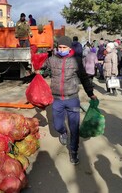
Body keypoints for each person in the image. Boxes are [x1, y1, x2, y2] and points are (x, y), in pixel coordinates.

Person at [40, 36, 97, 165]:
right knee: (58, 125)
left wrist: (90, 93)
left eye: (64, 47)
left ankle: (74, 152)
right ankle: (63, 132)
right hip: (57, 99)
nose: (61, 49)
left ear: (69, 48)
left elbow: (84, 78)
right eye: (59, 47)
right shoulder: (52, 60)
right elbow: (43, 69)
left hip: (72, 99)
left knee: (74, 128)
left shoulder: (76, 61)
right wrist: (38, 72)